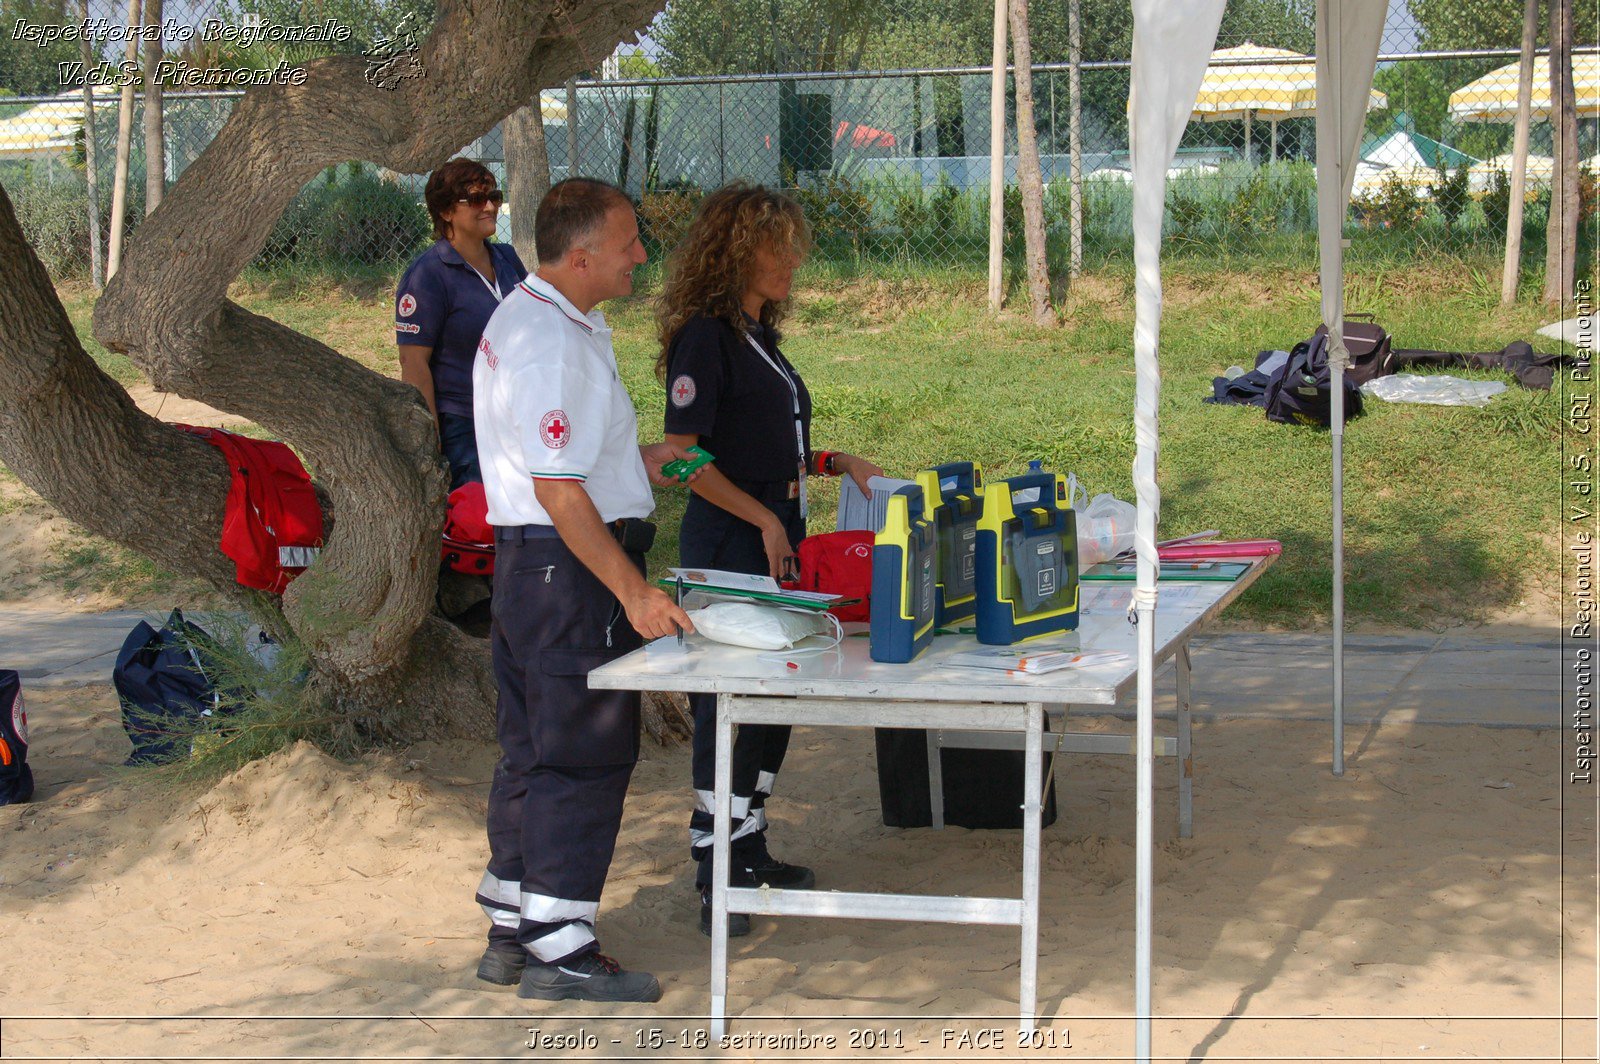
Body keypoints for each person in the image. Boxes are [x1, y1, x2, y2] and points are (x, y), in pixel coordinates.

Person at [470, 177, 697, 1003]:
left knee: (533, 746)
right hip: (566, 573)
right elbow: (559, 492)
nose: (642, 254)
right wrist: (634, 593)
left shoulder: (555, 319)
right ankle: (561, 948)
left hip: (539, 563)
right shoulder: (550, 342)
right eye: (630, 242)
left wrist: (632, 466)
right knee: (583, 752)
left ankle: (513, 922)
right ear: (581, 255)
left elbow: (559, 468)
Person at [656, 182, 882, 936]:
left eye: (792, 248)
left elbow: (759, 443)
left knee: (777, 698)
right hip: (729, 545)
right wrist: (762, 519)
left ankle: (748, 843)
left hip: (772, 535)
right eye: (772, 247)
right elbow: (684, 461)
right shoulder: (705, 337)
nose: (789, 262)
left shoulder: (758, 336)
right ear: (733, 250)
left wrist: (829, 459)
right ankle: (712, 871)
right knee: (729, 702)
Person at [396, 158, 528, 489]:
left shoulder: (507, 258)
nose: (490, 207)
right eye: (476, 199)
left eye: (494, 197)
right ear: (445, 211)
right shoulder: (428, 275)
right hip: (465, 422)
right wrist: (430, 442)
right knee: (480, 526)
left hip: (517, 414)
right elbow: (414, 364)